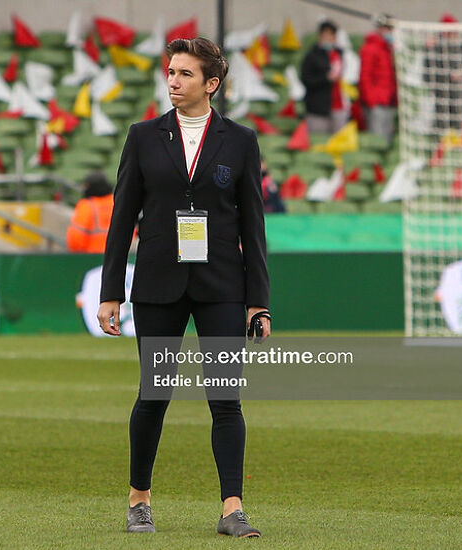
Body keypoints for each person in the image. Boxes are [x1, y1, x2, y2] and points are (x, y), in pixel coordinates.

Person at [97, 37, 270, 538]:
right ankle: (139, 500)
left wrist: (259, 300)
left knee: (225, 400)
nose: (173, 81)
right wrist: (112, 291)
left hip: (221, 285)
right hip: (156, 283)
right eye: (170, 72)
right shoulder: (143, 136)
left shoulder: (240, 140)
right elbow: (122, 217)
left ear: (211, 84)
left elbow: (253, 226)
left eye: (185, 74)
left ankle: (232, 509)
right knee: (154, 394)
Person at [424, 13, 462, 130]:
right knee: (442, 128)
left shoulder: (461, 48)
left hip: (460, 99)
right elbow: (427, 76)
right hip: (443, 100)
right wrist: (427, 50)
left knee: (460, 129)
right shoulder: (436, 50)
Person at [301, 20, 348, 134]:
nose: (329, 37)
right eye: (326, 34)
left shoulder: (339, 54)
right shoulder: (311, 56)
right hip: (318, 108)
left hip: (338, 106)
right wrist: (325, 79)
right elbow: (306, 80)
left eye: (331, 34)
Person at [359, 14, 397, 142]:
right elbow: (365, 77)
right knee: (377, 139)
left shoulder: (389, 49)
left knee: (387, 139)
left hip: (388, 101)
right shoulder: (371, 48)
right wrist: (372, 101)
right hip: (377, 103)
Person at [67, 172, 114, 253]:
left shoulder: (86, 206)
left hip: (92, 258)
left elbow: (75, 238)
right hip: (119, 257)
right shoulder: (117, 202)